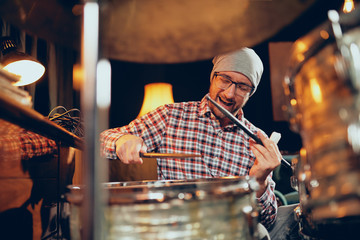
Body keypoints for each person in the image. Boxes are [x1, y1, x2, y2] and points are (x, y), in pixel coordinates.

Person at [100, 47, 299, 239]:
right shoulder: (170, 116)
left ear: (251, 93)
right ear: (213, 78)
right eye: (225, 80)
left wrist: (260, 182)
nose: (230, 94)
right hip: (174, 229)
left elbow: (268, 220)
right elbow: (102, 139)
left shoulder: (258, 140)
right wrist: (122, 140)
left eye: (242, 86)